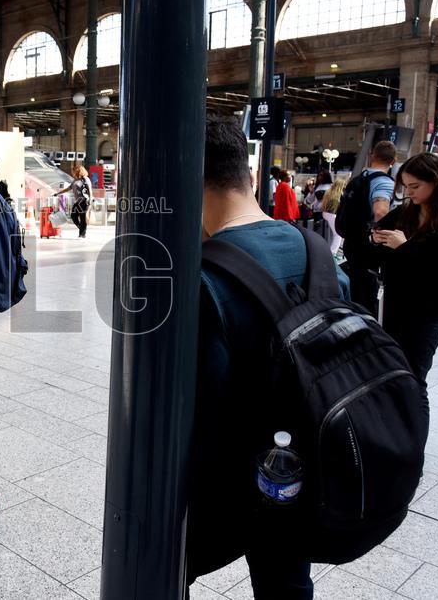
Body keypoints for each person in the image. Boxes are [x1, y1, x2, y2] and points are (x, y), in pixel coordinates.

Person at [189, 115, 351, 599]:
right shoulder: (318, 252)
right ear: (252, 177)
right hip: (298, 469)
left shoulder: (204, 279)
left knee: (163, 566)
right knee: (287, 583)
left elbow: (202, 413)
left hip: (228, 485)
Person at [372, 153, 438, 383]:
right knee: (389, 374)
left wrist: (404, 247)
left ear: (435, 181)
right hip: (394, 306)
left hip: (426, 314)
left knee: (414, 379)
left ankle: (413, 419)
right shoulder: (406, 213)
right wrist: (375, 238)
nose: (409, 192)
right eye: (406, 186)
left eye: (415, 186)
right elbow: (378, 237)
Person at [338, 140, 396, 314]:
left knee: (355, 293)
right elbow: (380, 212)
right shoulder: (383, 182)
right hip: (369, 251)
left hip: (351, 244)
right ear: (393, 161)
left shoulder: (359, 179)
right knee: (367, 300)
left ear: (372, 156)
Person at [54, 164, 92, 238]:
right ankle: (81, 229)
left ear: (79, 171)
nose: (73, 172)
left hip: (84, 200)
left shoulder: (85, 179)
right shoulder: (75, 180)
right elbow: (69, 188)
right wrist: (58, 193)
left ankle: (82, 234)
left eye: (74, 171)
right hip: (78, 201)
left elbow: (90, 190)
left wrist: (90, 200)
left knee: (82, 218)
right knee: (73, 216)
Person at [321, 177, 347, 256]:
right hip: (332, 215)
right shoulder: (338, 195)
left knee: (339, 233)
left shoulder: (329, 192)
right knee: (337, 235)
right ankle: (333, 253)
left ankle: (339, 249)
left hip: (326, 214)